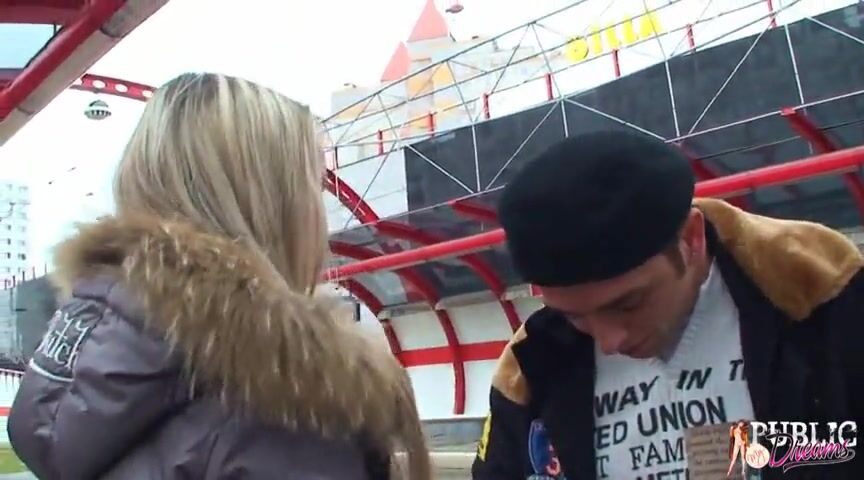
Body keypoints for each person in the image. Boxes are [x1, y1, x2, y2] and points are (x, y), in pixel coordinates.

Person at [8, 73, 431, 480]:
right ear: (270, 205)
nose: (320, 214)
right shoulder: (291, 407)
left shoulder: (89, 374)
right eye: (313, 185)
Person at [471, 130, 864, 480]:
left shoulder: (824, 302)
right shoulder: (530, 368)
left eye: (628, 303)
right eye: (574, 316)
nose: (609, 341)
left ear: (691, 238)